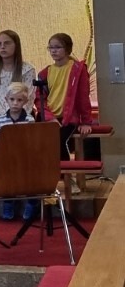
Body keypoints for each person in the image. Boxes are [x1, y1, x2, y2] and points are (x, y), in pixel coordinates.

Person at [36, 33, 93, 193]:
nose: (53, 51)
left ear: (67, 49)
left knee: (58, 140)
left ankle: (68, 179)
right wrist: (49, 117)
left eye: (57, 47)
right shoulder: (45, 73)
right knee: (38, 142)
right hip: (49, 116)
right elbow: (39, 99)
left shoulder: (77, 69)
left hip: (68, 117)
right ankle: (44, 179)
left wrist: (86, 121)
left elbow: (83, 97)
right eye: (51, 48)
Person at [0, 82, 37, 220]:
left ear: (25, 101)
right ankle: (8, 202)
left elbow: (32, 141)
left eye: (19, 100)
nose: (15, 103)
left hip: (26, 156)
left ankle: (32, 203)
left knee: (34, 173)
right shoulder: (1, 120)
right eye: (12, 99)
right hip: (8, 156)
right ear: (6, 99)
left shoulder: (29, 120)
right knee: (6, 173)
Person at [0, 29, 36, 115]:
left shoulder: (28, 69)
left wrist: (15, 115)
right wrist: (4, 115)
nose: (2, 47)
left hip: (22, 116)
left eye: (7, 43)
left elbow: (29, 97)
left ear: (16, 45)